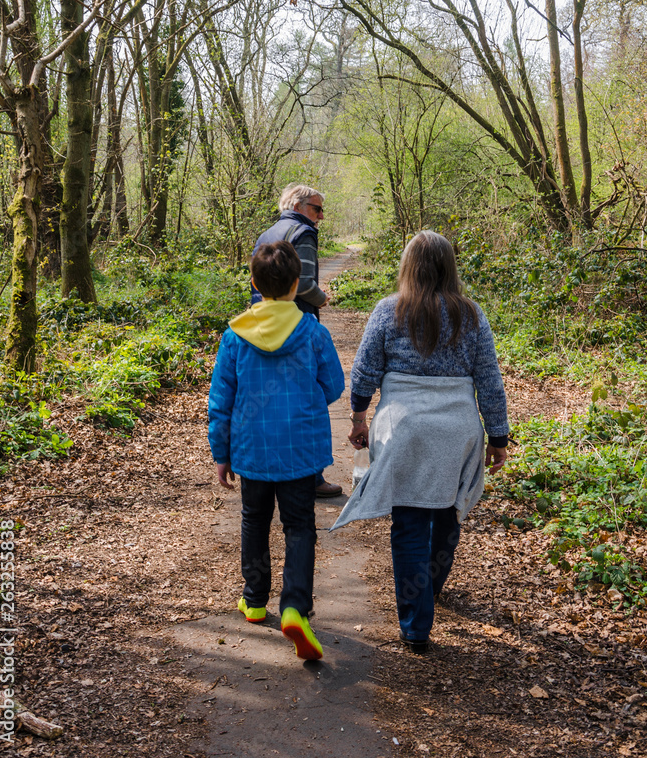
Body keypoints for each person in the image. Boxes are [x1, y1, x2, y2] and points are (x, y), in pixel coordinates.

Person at [331, 230, 509, 653]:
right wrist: (498, 436)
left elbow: (365, 372)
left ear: (407, 266)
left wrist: (359, 418)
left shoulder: (389, 310)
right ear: (450, 267)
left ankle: (415, 626)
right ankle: (430, 587)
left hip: (405, 427)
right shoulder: (472, 314)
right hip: (458, 429)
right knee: (447, 514)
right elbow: (489, 381)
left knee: (410, 524)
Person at [208, 240, 345, 660]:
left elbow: (221, 400)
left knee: (254, 520)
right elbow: (335, 385)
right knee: (299, 526)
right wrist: (303, 397)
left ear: (253, 282)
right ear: (298, 285)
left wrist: (221, 452)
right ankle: (294, 608)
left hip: (252, 449)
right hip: (300, 450)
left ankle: (253, 600)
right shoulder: (312, 332)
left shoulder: (235, 337)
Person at [251, 184, 342, 499]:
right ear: (300, 206)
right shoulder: (303, 233)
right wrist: (322, 298)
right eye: (317, 209)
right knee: (303, 399)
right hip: (295, 324)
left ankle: (269, 471)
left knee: (267, 399)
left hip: (261, 322)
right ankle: (311, 476)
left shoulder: (267, 233)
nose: (320, 217)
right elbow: (303, 283)